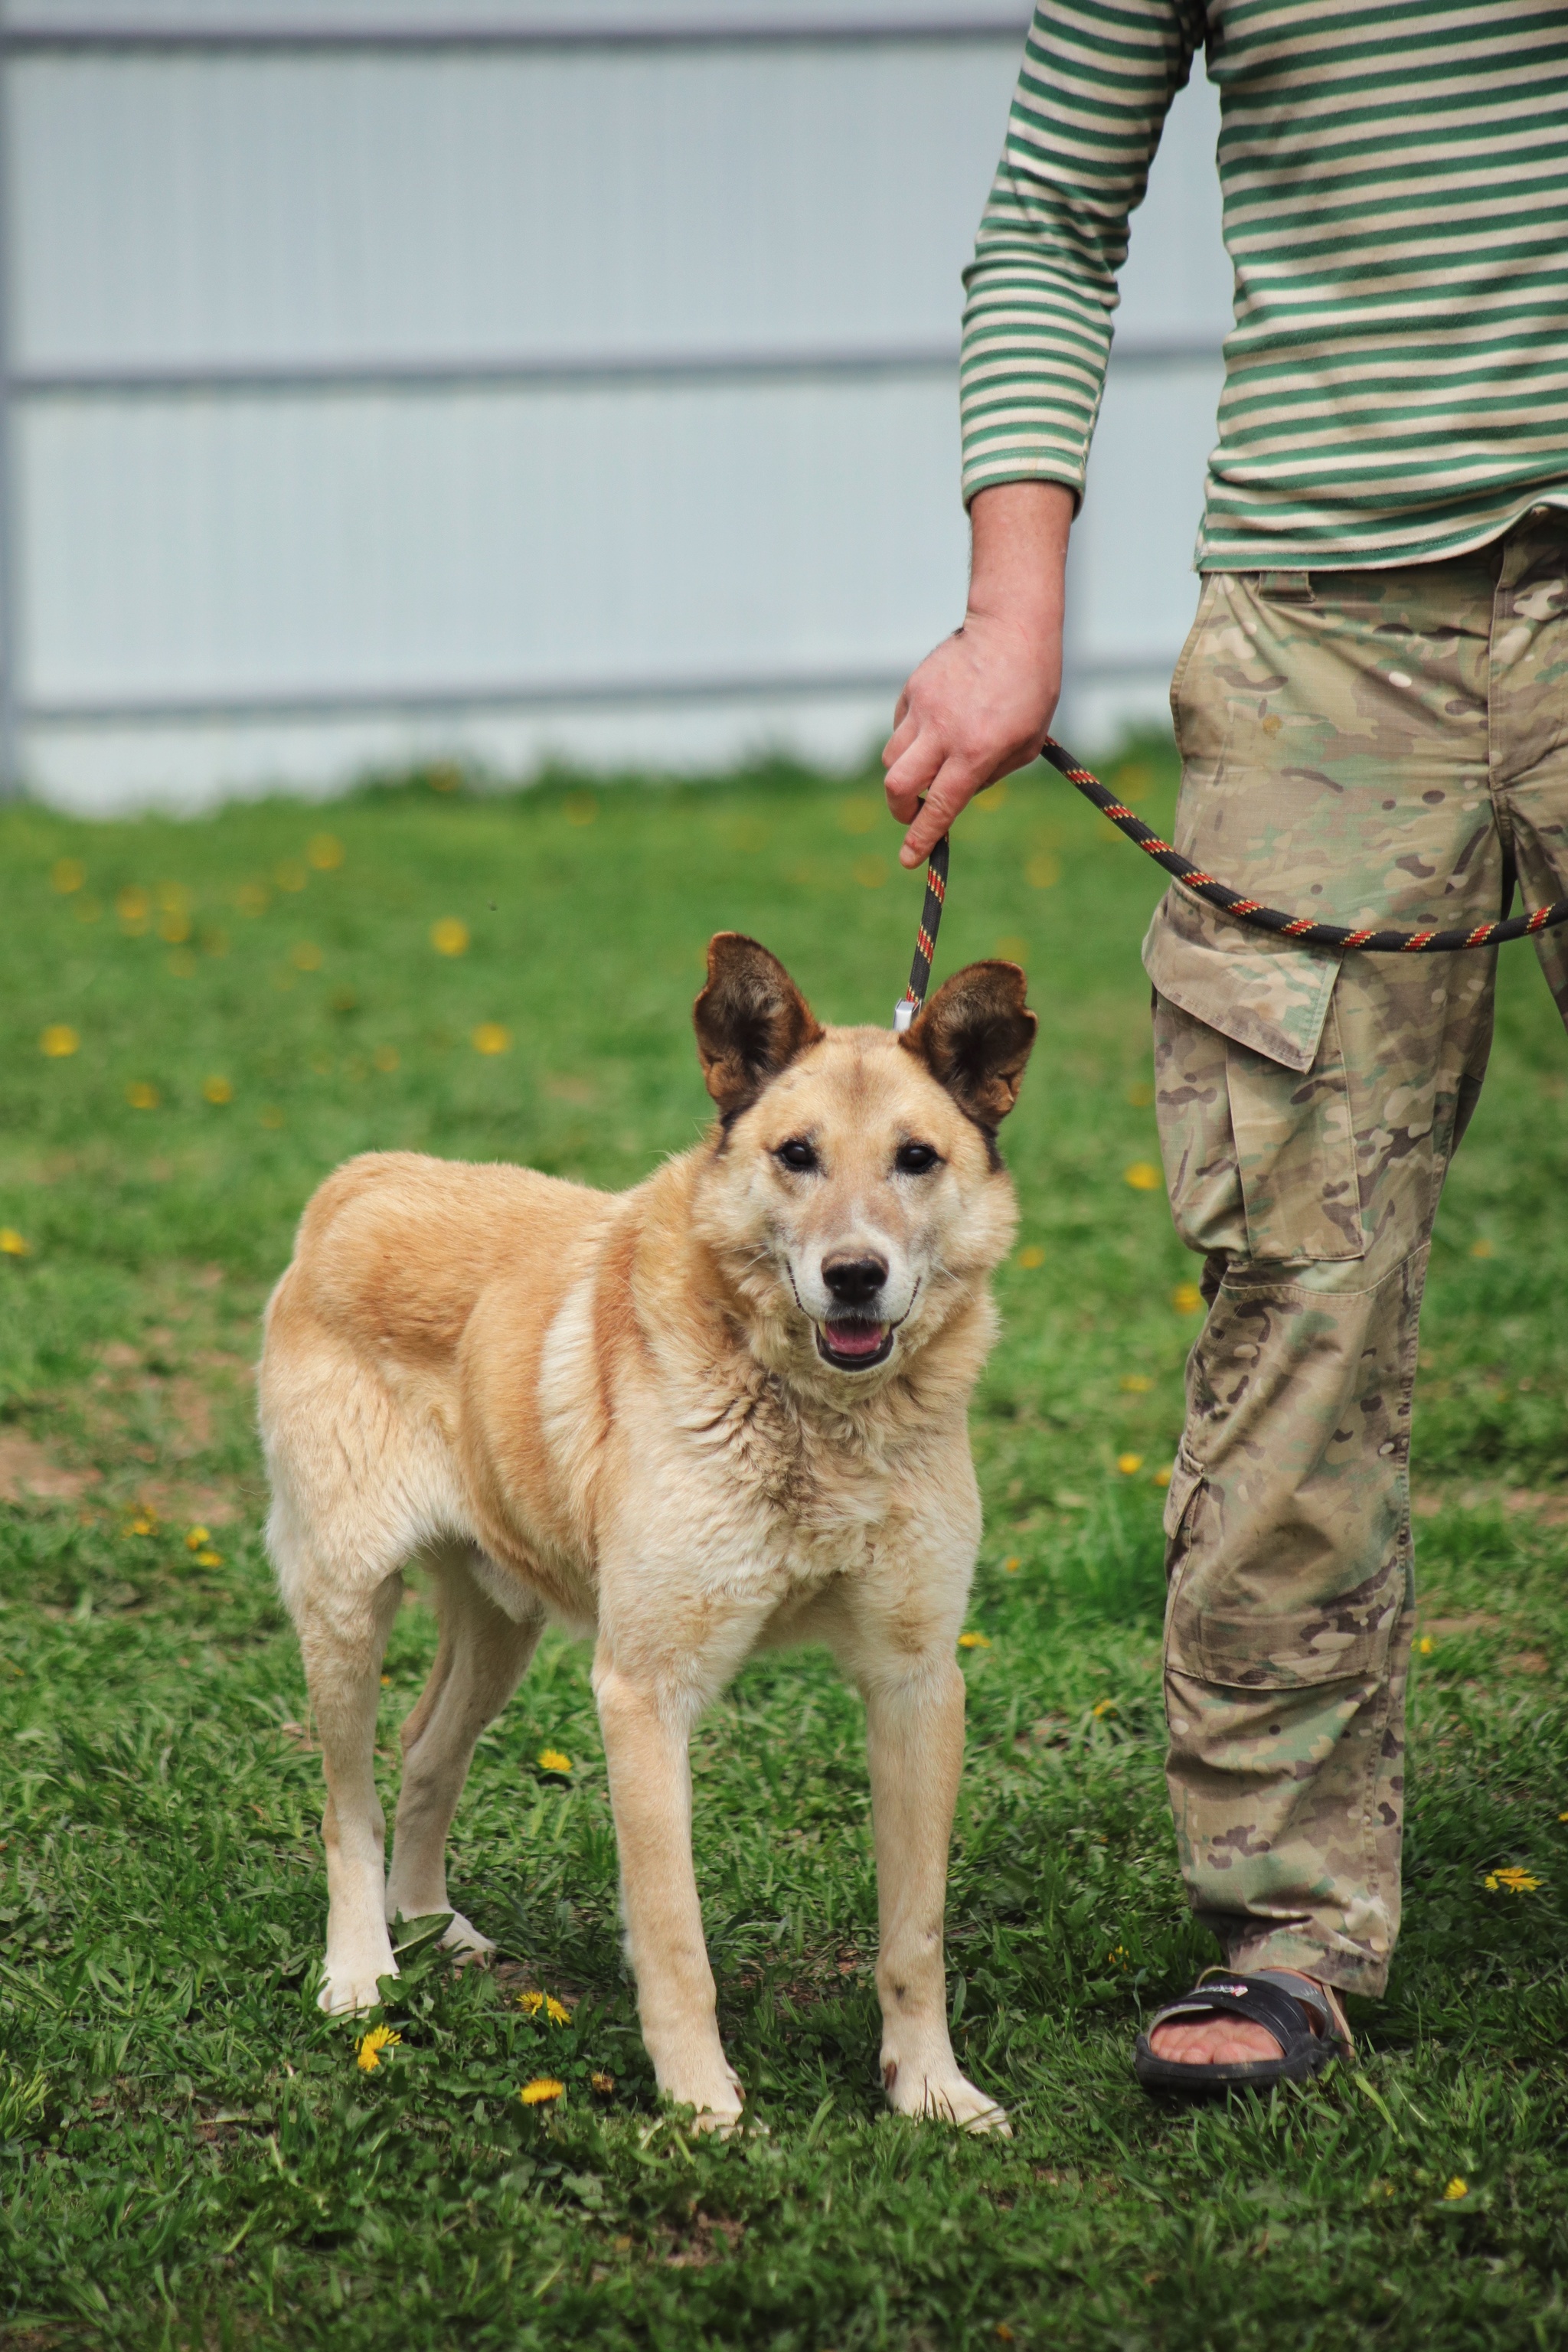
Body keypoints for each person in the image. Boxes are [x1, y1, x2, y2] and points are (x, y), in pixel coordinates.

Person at [884, 0, 1568, 2092]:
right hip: (1322, 629)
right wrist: (1014, 611)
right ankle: (1285, 1921)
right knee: (1300, 1284)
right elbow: (1048, 215)